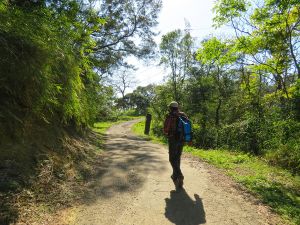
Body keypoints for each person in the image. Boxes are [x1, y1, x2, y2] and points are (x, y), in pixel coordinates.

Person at [163, 101, 187, 188]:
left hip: (173, 139)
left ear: (170, 108)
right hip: (182, 139)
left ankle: (179, 175)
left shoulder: (170, 116)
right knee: (177, 157)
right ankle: (175, 175)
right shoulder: (183, 115)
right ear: (177, 107)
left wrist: (167, 133)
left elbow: (165, 129)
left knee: (171, 158)